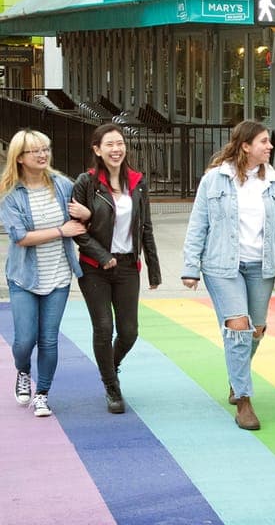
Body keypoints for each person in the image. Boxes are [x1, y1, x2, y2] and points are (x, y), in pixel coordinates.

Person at [182, 120, 275, 430]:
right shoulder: (215, 180)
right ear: (246, 146)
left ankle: (237, 377)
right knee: (238, 326)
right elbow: (199, 224)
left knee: (257, 329)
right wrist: (190, 267)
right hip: (223, 266)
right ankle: (244, 400)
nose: (270, 146)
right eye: (264, 141)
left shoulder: (274, 182)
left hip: (260, 267)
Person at [71, 124, 161, 414]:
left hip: (127, 265)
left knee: (129, 332)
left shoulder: (137, 182)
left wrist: (154, 268)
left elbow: (144, 226)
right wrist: (101, 254)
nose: (116, 149)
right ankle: (112, 386)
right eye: (109, 144)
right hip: (95, 267)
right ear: (97, 149)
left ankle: (110, 364)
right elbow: (77, 230)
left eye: (119, 143)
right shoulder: (86, 183)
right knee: (103, 327)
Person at [0, 129, 85, 417]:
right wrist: (62, 230)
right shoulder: (10, 194)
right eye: (35, 150)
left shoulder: (62, 185)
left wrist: (85, 215)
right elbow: (20, 236)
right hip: (24, 276)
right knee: (25, 339)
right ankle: (23, 370)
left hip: (58, 274)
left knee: (48, 338)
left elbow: (84, 211)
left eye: (45, 149)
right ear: (20, 157)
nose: (42, 154)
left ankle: (43, 393)